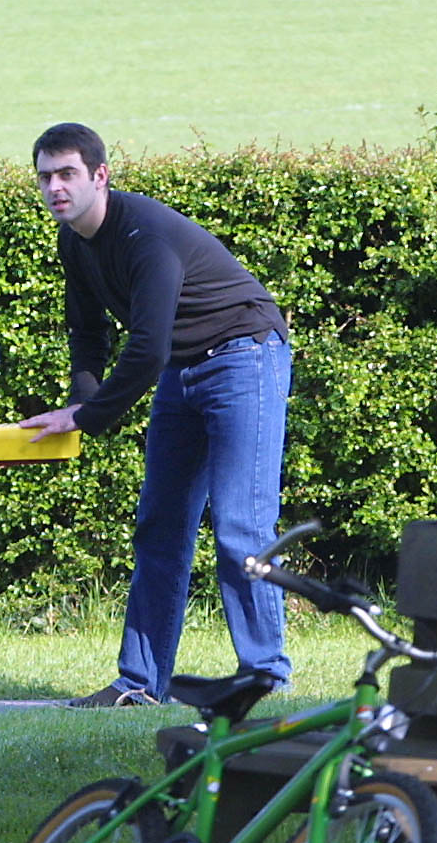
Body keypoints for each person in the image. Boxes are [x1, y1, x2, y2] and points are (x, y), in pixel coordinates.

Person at [21, 122, 292, 706]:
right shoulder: (75, 241)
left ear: (100, 176)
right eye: (45, 176)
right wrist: (80, 399)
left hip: (245, 355)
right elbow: (87, 335)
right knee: (159, 529)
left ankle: (266, 679)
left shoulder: (144, 235)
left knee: (241, 525)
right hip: (184, 370)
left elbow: (147, 349)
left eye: (66, 174)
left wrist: (87, 419)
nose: (54, 188)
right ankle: (140, 684)